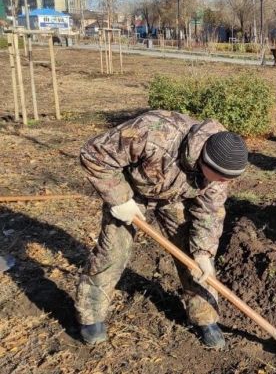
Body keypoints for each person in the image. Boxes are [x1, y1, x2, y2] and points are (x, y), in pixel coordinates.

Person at [75, 110, 248, 349]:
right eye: (220, 178)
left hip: (174, 197)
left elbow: (209, 213)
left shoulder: (219, 177)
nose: (223, 184)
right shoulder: (155, 133)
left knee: (193, 257)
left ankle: (205, 317)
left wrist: (203, 252)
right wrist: (119, 198)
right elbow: (94, 154)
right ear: (204, 161)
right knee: (113, 251)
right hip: (130, 192)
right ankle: (91, 315)